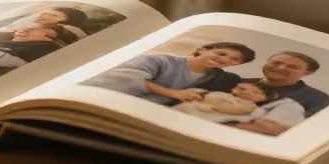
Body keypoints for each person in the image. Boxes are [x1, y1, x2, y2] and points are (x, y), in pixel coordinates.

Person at [82, 42, 254, 104]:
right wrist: (174, 93)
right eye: (221, 54)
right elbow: (128, 77)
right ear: (202, 49)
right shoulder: (159, 60)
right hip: (102, 100)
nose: (225, 60)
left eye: (234, 60)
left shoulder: (217, 78)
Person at [229, 51, 329, 135]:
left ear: (307, 73)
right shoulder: (236, 82)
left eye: (292, 67)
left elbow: (300, 131)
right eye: (275, 63)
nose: (280, 68)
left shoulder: (318, 98)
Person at [164, 81, 306, 133]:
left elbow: (273, 129)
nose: (243, 92)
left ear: (265, 97)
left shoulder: (255, 107)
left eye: (254, 92)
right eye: (239, 88)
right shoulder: (221, 94)